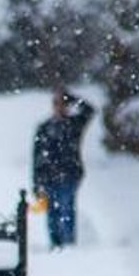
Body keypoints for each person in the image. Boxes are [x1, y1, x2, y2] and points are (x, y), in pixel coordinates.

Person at [31, 87, 95, 248]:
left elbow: (89, 110)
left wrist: (72, 98)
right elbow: (37, 156)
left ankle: (68, 243)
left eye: (62, 104)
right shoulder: (44, 128)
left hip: (69, 174)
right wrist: (37, 182)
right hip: (49, 177)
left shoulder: (73, 124)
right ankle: (56, 244)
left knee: (66, 209)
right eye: (56, 104)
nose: (59, 107)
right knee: (52, 213)